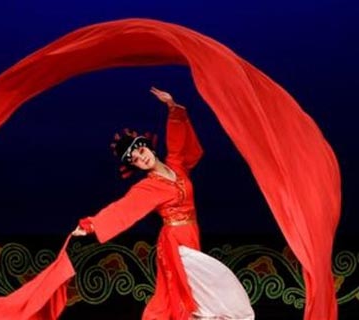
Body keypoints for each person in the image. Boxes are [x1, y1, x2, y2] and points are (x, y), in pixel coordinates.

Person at [72, 87, 254, 320]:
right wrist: (91, 225)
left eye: (140, 150)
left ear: (147, 145)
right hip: (175, 244)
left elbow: (178, 140)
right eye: (135, 160)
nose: (141, 157)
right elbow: (123, 208)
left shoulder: (176, 165)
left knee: (198, 294)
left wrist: (172, 108)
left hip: (191, 235)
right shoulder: (148, 187)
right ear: (135, 167)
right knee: (198, 292)